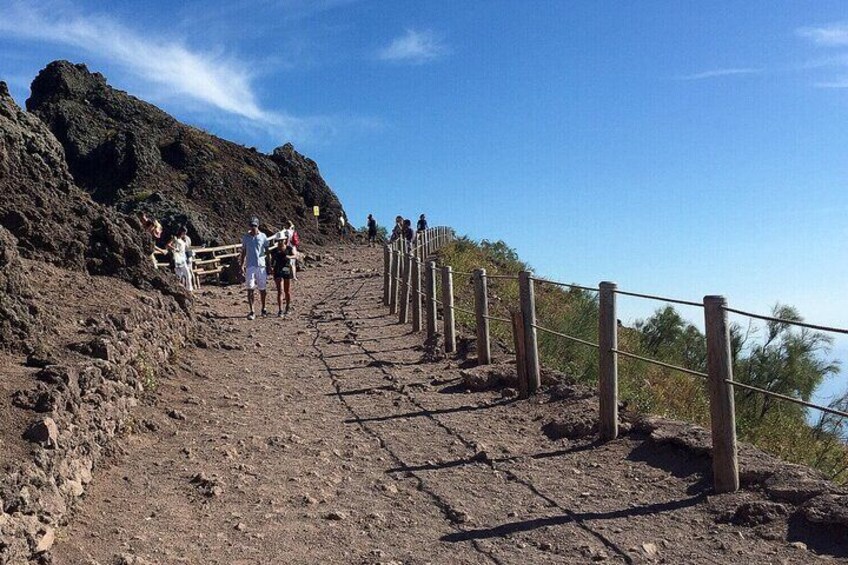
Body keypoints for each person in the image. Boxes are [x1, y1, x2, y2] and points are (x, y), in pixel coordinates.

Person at [239, 217, 270, 320]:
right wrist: (241, 264)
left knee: (262, 288)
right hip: (250, 265)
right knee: (250, 288)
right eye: (251, 226)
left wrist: (269, 265)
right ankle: (252, 310)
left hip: (261, 265)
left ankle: (263, 308)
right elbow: (243, 251)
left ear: (258, 226)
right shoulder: (246, 237)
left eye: (255, 226)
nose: (253, 228)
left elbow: (267, 250)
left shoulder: (263, 236)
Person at [269, 236, 295, 317]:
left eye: (282, 240)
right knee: (280, 290)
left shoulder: (289, 248)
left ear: (285, 240)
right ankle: (280, 309)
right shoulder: (274, 250)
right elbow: (271, 260)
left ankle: (287, 307)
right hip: (278, 269)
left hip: (286, 268)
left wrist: (289, 256)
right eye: (279, 240)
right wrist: (271, 267)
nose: (280, 242)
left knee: (287, 290)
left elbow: (295, 255)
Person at [168, 226, 193, 293]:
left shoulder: (182, 240)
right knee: (183, 274)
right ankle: (185, 289)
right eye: (184, 233)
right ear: (182, 232)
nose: (185, 234)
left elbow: (187, 248)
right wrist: (175, 249)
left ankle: (184, 289)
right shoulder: (175, 238)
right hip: (178, 259)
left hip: (182, 258)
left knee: (183, 274)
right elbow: (168, 245)